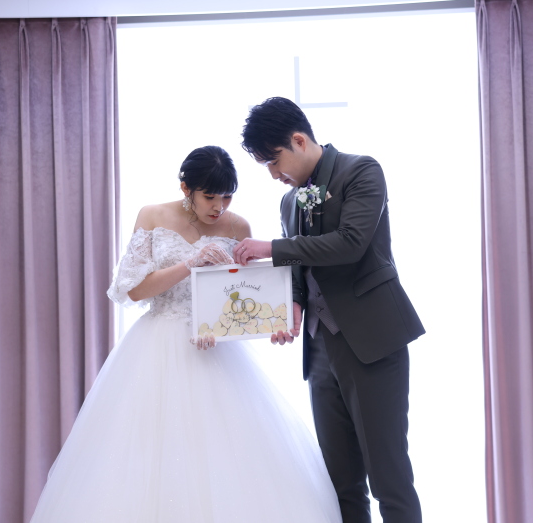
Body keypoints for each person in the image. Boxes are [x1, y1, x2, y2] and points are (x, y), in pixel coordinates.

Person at [30, 146, 341, 522]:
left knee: (232, 461)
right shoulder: (152, 216)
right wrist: (190, 263)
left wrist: (266, 323)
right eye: (210, 196)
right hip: (158, 345)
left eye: (227, 197)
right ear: (185, 188)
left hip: (218, 354)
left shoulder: (239, 227)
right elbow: (133, 290)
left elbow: (245, 298)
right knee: (149, 457)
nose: (219, 207)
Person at [233, 98, 425, 523]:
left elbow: (351, 243)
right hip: (319, 350)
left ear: (299, 140)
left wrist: (271, 248)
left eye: (274, 160)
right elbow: (300, 268)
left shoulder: (362, 170)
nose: (273, 174)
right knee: (340, 484)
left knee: (389, 476)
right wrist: (294, 302)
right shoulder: (288, 203)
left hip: (372, 342)